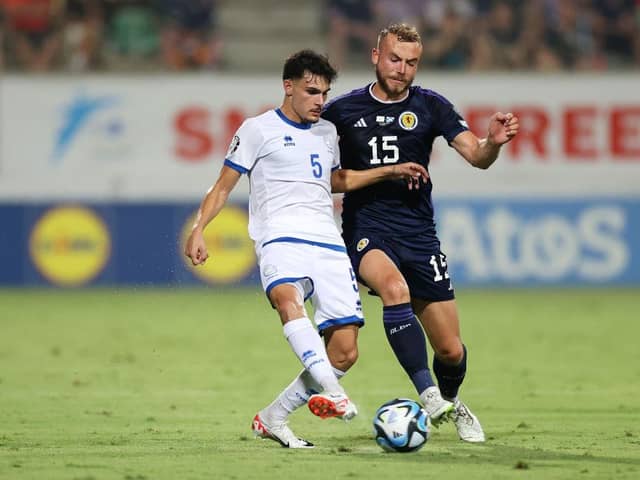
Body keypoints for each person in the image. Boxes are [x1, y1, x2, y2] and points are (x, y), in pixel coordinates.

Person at [184, 49, 428, 449]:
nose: (319, 101)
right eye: (312, 91)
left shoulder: (326, 132)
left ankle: (273, 417)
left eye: (325, 94)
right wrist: (199, 229)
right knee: (287, 298)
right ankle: (334, 394)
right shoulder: (257, 129)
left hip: (328, 243)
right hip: (279, 235)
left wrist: (388, 170)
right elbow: (222, 186)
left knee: (345, 352)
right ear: (288, 87)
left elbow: (335, 179)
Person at [321, 23, 519, 443]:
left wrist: (494, 142)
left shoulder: (432, 106)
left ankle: (450, 399)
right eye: (395, 59)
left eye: (412, 62)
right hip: (367, 227)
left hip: (419, 235)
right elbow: (328, 180)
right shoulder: (340, 112)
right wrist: (386, 173)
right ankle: (428, 394)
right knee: (394, 290)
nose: (402, 69)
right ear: (376, 56)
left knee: (451, 350)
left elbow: (477, 157)